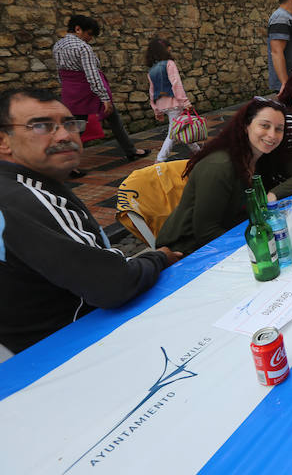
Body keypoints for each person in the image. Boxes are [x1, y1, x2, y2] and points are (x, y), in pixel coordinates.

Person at [0, 88, 180, 354]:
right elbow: (114, 283)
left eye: (69, 123)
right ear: (4, 141)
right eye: (41, 126)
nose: (64, 135)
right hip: (67, 351)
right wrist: (159, 257)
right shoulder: (25, 198)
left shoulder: (19, 187)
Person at [155, 97, 292, 255]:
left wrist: (273, 194)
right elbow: (206, 233)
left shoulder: (264, 154)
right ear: (245, 126)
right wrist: (263, 243)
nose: (272, 135)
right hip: (187, 250)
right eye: (264, 126)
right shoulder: (219, 166)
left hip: (235, 232)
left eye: (279, 129)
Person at [52, 15, 150, 173]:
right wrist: (104, 97)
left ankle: (66, 163)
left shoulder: (57, 46)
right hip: (89, 91)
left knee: (75, 127)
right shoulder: (83, 48)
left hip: (71, 91)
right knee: (113, 118)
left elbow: (59, 73)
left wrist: (66, 90)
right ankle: (131, 151)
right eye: (89, 34)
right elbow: (92, 75)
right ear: (78, 29)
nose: (90, 38)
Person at [145, 37, 201, 163]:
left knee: (182, 128)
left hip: (161, 104)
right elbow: (176, 83)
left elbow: (152, 91)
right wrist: (185, 102)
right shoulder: (169, 64)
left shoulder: (151, 70)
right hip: (174, 102)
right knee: (173, 132)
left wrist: (156, 110)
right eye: (168, 50)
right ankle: (160, 159)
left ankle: (199, 152)